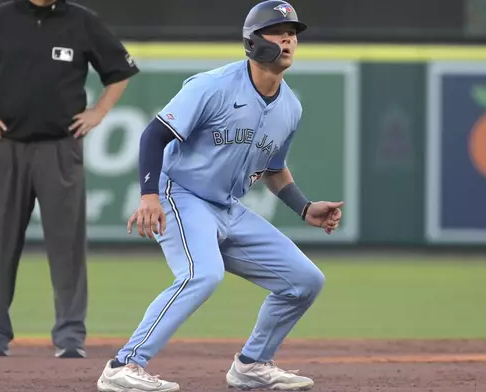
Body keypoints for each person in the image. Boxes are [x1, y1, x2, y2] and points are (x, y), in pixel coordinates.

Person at [96, 1, 342, 391]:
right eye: (279, 32)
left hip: (228, 208)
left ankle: (252, 365)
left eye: (293, 33)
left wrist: (305, 207)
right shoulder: (212, 86)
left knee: (305, 280)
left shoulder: (290, 107)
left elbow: (274, 168)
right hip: (182, 195)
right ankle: (123, 366)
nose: (289, 40)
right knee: (202, 274)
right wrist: (148, 196)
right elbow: (154, 135)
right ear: (252, 42)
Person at [0, 0, 139, 358]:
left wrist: (99, 112)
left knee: (67, 244)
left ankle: (70, 336)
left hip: (60, 147)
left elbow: (120, 71)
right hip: (7, 146)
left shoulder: (82, 21)